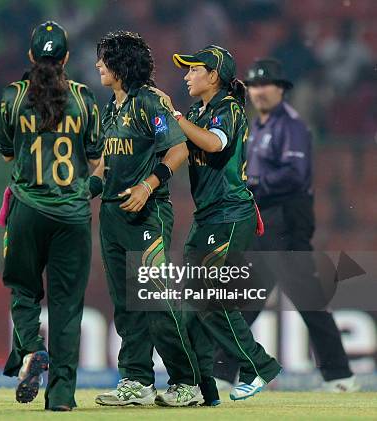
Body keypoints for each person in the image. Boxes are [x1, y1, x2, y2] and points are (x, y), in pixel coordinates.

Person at [212, 58, 358, 393]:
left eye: (267, 85)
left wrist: (252, 182)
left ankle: (340, 376)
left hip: (287, 219)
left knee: (302, 297)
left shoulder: (290, 126)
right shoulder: (259, 127)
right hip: (266, 219)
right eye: (255, 85)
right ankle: (222, 371)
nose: (260, 91)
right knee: (248, 298)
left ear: (281, 90)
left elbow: (294, 175)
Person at [0, 21, 103, 412]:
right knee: (67, 307)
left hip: (28, 209)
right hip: (72, 215)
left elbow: (7, 153)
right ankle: (60, 397)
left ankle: (32, 348)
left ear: (30, 57)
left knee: (24, 290)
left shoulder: (13, 96)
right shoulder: (85, 98)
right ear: (67, 59)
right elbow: (95, 159)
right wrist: (84, 187)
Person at [93, 31, 203, 408]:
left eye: (104, 59)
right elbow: (105, 163)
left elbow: (177, 148)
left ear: (122, 64)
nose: (98, 66)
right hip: (112, 214)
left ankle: (187, 382)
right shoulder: (112, 106)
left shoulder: (150, 102)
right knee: (125, 304)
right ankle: (137, 381)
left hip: (148, 213)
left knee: (155, 300)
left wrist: (147, 186)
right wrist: (81, 190)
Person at [170, 45, 281, 403]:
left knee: (208, 301)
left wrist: (175, 119)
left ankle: (258, 366)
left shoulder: (228, 109)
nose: (187, 75)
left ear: (213, 76)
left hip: (230, 215)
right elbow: (185, 146)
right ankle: (201, 389)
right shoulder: (196, 110)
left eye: (193, 70)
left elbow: (214, 145)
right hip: (208, 217)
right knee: (193, 303)